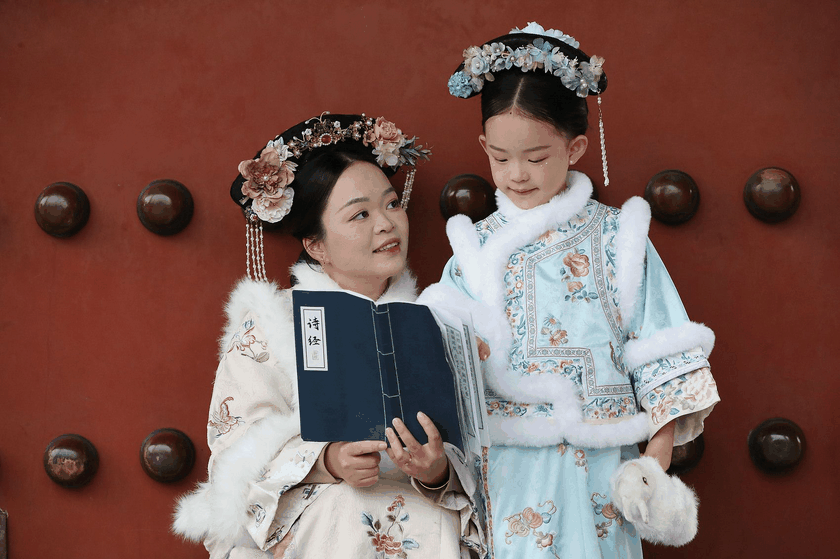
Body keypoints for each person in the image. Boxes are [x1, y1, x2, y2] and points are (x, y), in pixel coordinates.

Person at [418, 22, 721, 558]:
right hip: (504, 470)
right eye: (500, 157)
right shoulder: (471, 249)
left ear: (576, 147)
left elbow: (664, 356)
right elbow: (435, 361)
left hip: (602, 468)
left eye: (536, 158)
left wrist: (651, 464)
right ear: (483, 145)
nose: (516, 174)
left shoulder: (618, 238)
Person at [173, 113, 485, 559]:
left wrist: (435, 472)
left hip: (431, 513)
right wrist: (328, 461)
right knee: (347, 510)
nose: (386, 224)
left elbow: (482, 451)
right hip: (324, 516)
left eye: (392, 204)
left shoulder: (439, 319)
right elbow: (235, 453)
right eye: (360, 214)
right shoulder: (271, 325)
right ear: (316, 244)